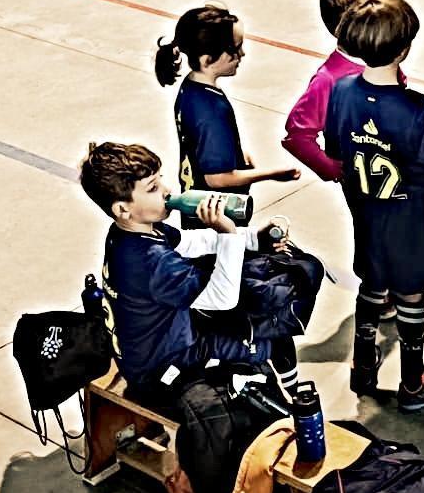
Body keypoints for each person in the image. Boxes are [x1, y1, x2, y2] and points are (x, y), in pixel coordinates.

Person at [322, 0, 424, 413]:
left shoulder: (343, 91)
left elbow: (335, 148)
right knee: (410, 299)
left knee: (372, 285)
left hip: (367, 216)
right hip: (411, 224)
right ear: (404, 49)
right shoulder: (416, 109)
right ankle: (414, 382)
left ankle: (363, 365)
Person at [79, 142, 303, 400]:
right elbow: (223, 298)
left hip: (150, 349)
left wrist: (253, 238)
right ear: (123, 209)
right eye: (153, 188)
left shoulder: (129, 232)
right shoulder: (152, 262)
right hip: (164, 366)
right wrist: (228, 233)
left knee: (245, 322)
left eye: (161, 180)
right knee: (269, 339)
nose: (167, 191)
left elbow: (191, 242)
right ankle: (294, 401)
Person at [154, 4, 301, 194]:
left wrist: (237, 153)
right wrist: (272, 174)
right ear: (207, 60)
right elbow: (218, 178)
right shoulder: (211, 110)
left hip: (194, 197)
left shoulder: (191, 88)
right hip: (216, 213)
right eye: (236, 49)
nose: (242, 54)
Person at [283, 0, 383, 181]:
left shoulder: (382, 58)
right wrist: (333, 170)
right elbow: (297, 135)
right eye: (369, 16)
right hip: (365, 181)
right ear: (342, 28)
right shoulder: (328, 80)